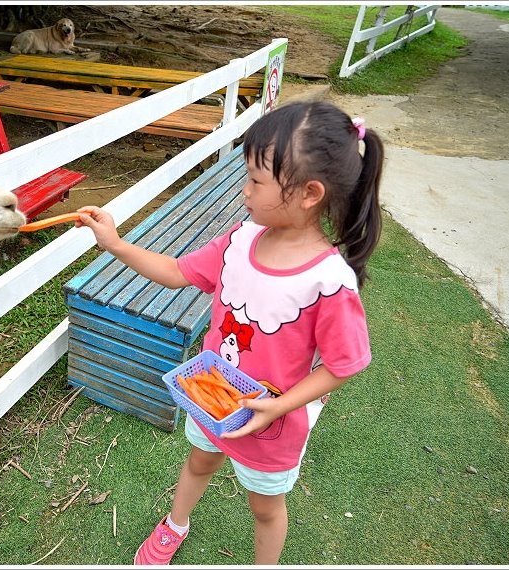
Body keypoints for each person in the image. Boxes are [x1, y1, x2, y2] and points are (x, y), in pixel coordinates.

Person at [74, 100, 384, 565]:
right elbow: (176, 272)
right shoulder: (240, 240)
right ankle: (175, 524)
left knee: (265, 509)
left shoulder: (328, 282)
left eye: (256, 181)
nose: (244, 191)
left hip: (271, 424)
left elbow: (345, 365)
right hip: (212, 398)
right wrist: (115, 244)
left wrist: (278, 405)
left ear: (309, 193)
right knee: (200, 461)